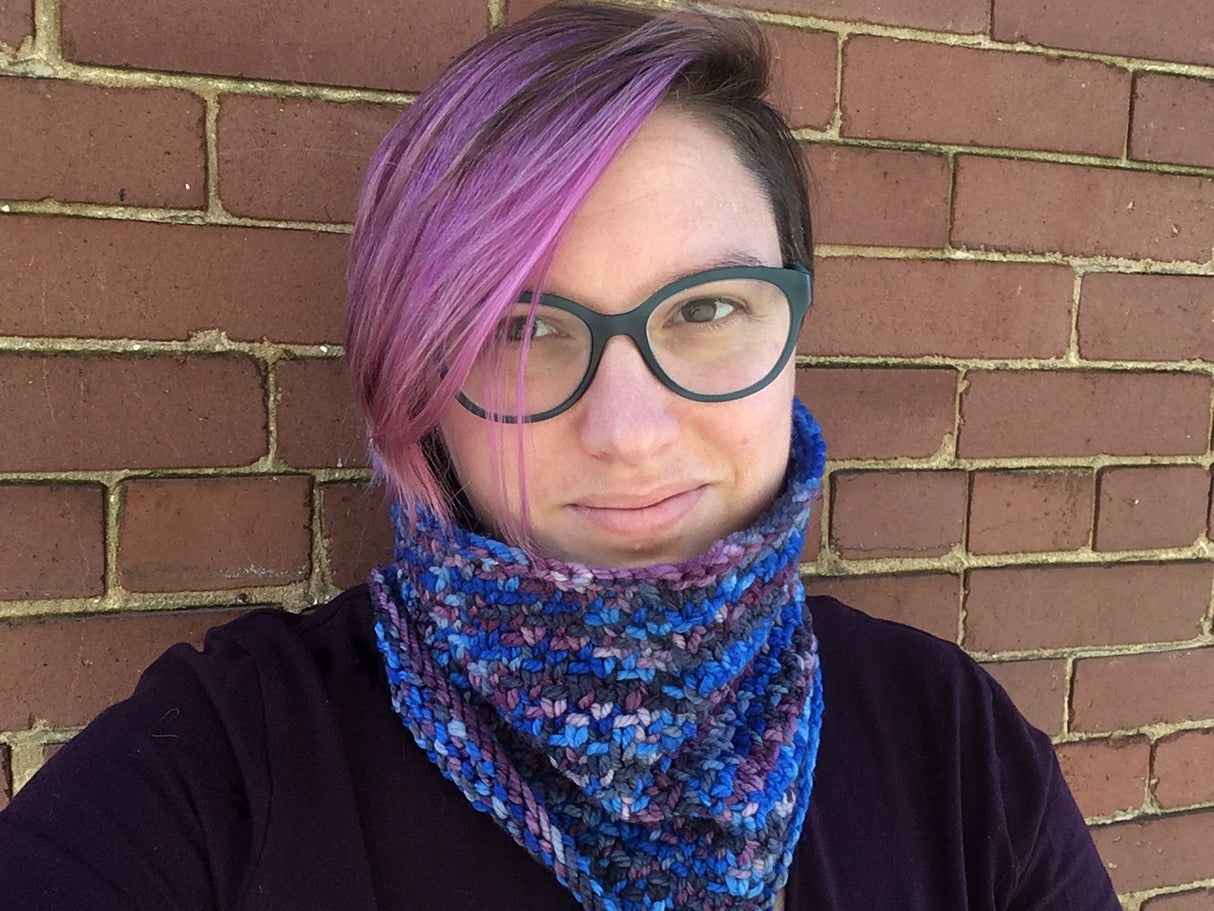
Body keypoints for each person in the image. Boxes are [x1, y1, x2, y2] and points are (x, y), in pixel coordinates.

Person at [0, 3, 1118, 909]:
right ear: (420, 381)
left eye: (709, 307)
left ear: (791, 332)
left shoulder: (952, 750)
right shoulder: (228, 768)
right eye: (523, 329)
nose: (628, 432)